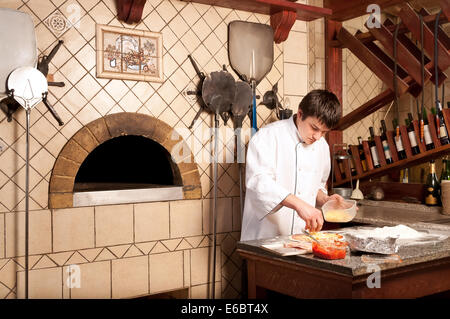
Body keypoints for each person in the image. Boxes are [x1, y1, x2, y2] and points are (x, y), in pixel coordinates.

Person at [240, 89, 344, 241]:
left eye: (324, 132)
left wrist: (325, 200)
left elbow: (314, 188)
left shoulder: (322, 146)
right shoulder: (268, 136)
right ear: (300, 114)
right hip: (264, 239)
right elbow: (259, 183)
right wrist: (300, 205)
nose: (317, 136)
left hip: (301, 238)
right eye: (314, 128)